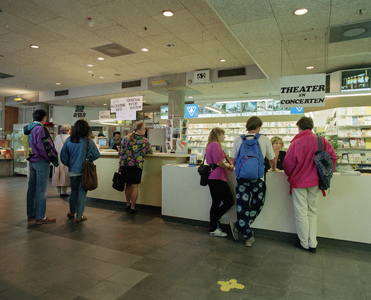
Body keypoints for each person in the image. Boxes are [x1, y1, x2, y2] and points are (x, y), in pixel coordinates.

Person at [283, 116, 336, 253]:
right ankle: (313, 243)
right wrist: (327, 174)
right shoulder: (321, 140)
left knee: (301, 213)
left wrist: (292, 174)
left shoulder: (295, 143)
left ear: (299, 127)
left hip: (299, 181)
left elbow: (287, 165)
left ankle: (304, 243)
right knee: (312, 212)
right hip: (316, 182)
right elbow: (333, 158)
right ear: (311, 127)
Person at [229, 116, 276, 246]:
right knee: (258, 203)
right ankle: (244, 231)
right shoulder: (264, 139)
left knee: (242, 206)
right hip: (257, 178)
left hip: (241, 178)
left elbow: (233, 160)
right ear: (259, 126)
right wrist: (274, 168)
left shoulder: (239, 139)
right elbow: (272, 158)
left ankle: (243, 230)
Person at [60, 120, 100, 223]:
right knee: (82, 193)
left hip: (73, 171)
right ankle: (80, 215)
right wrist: (89, 157)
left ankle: (72, 212)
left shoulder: (69, 140)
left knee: (73, 192)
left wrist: (70, 164)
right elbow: (96, 155)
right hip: (84, 171)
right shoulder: (88, 141)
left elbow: (63, 157)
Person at [25, 109, 58, 224]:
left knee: (32, 189)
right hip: (41, 162)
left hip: (32, 161)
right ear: (44, 118)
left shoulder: (29, 128)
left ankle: (31, 214)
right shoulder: (40, 129)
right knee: (41, 190)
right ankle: (40, 216)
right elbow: (44, 147)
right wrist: (53, 159)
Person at [205, 128, 234, 237]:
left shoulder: (210, 144)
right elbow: (219, 162)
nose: (224, 137)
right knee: (228, 201)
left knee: (216, 202)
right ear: (218, 135)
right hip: (217, 177)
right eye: (223, 135)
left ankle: (214, 226)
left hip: (213, 177)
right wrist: (228, 167)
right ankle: (214, 224)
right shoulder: (216, 145)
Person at [118, 122, 153, 214]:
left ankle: (127, 204)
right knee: (135, 186)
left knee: (128, 185)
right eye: (144, 129)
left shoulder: (125, 139)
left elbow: (120, 153)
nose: (145, 130)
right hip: (137, 166)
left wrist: (119, 164)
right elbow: (150, 152)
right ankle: (133, 207)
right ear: (139, 130)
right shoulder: (144, 141)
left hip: (125, 165)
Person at [52, 124, 71, 197]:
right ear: (69, 130)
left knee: (58, 174)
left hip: (57, 158)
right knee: (65, 175)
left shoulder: (57, 137)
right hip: (66, 159)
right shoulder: (70, 138)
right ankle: (63, 191)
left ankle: (59, 190)